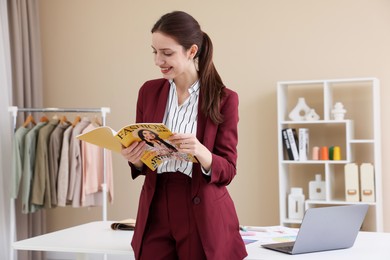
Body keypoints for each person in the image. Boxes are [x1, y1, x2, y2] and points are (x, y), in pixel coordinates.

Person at [121, 11, 247, 260]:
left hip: (200, 207)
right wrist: (134, 158)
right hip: (155, 203)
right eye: (154, 52)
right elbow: (145, 158)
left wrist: (201, 151)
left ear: (191, 51)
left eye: (167, 53)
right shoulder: (148, 91)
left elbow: (228, 169)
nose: (159, 61)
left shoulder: (224, 99)